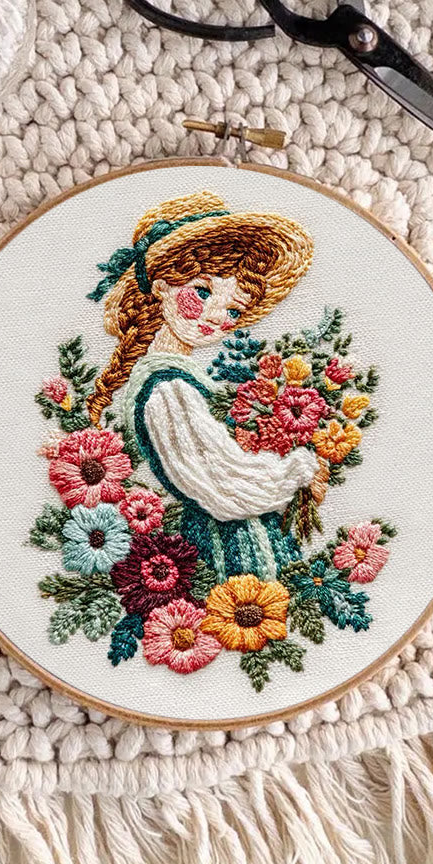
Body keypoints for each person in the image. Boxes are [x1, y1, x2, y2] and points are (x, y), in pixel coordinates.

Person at [86, 190, 325, 580]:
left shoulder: (181, 378)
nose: (216, 317)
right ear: (161, 286)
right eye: (202, 291)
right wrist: (298, 470)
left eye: (233, 310)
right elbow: (223, 484)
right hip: (230, 549)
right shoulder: (167, 388)